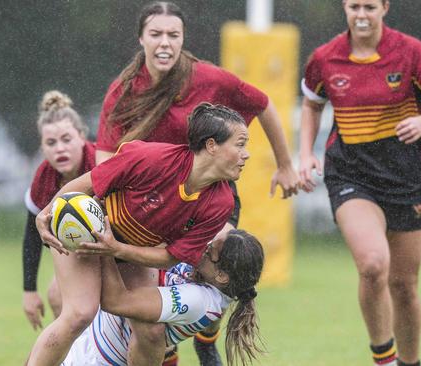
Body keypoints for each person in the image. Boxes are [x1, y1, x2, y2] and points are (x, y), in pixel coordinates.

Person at [96, 2, 299, 362]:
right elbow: (104, 163)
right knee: (161, 303)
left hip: (209, 197)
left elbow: (264, 103)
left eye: (173, 35)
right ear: (140, 38)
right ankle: (172, 348)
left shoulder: (208, 78)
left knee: (215, 260)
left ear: (183, 39)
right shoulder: (124, 91)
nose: (164, 42)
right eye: (156, 34)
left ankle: (207, 337)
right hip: (155, 206)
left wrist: (285, 165)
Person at [27, 103, 251, 366]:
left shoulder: (221, 202)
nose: (246, 155)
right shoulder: (153, 158)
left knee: (152, 331)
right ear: (212, 145)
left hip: (132, 251)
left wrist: (117, 250)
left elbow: (170, 257)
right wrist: (47, 213)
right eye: (240, 144)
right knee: (79, 314)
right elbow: (86, 183)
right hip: (88, 234)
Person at [297, 1, 421, 366]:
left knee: (403, 286)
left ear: (385, 7)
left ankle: (409, 362)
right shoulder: (326, 57)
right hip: (351, 175)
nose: (361, 14)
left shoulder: (410, 52)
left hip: (404, 180)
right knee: (371, 264)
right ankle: (384, 359)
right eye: (354, 6)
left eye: (370, 5)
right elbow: (311, 104)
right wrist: (306, 154)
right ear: (345, 8)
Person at [61, 227, 265, 366]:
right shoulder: (210, 272)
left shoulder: (199, 302)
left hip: (99, 359)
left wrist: (107, 246)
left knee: (152, 330)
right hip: (92, 334)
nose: (203, 247)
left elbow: (116, 301)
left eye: (209, 251)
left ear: (221, 276)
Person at [22, 90, 96, 330]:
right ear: (42, 147)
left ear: (82, 136)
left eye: (67, 139)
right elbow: (32, 236)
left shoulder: (99, 163)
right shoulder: (43, 179)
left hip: (120, 250)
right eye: (51, 143)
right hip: (82, 252)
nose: (59, 148)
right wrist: (29, 291)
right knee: (56, 295)